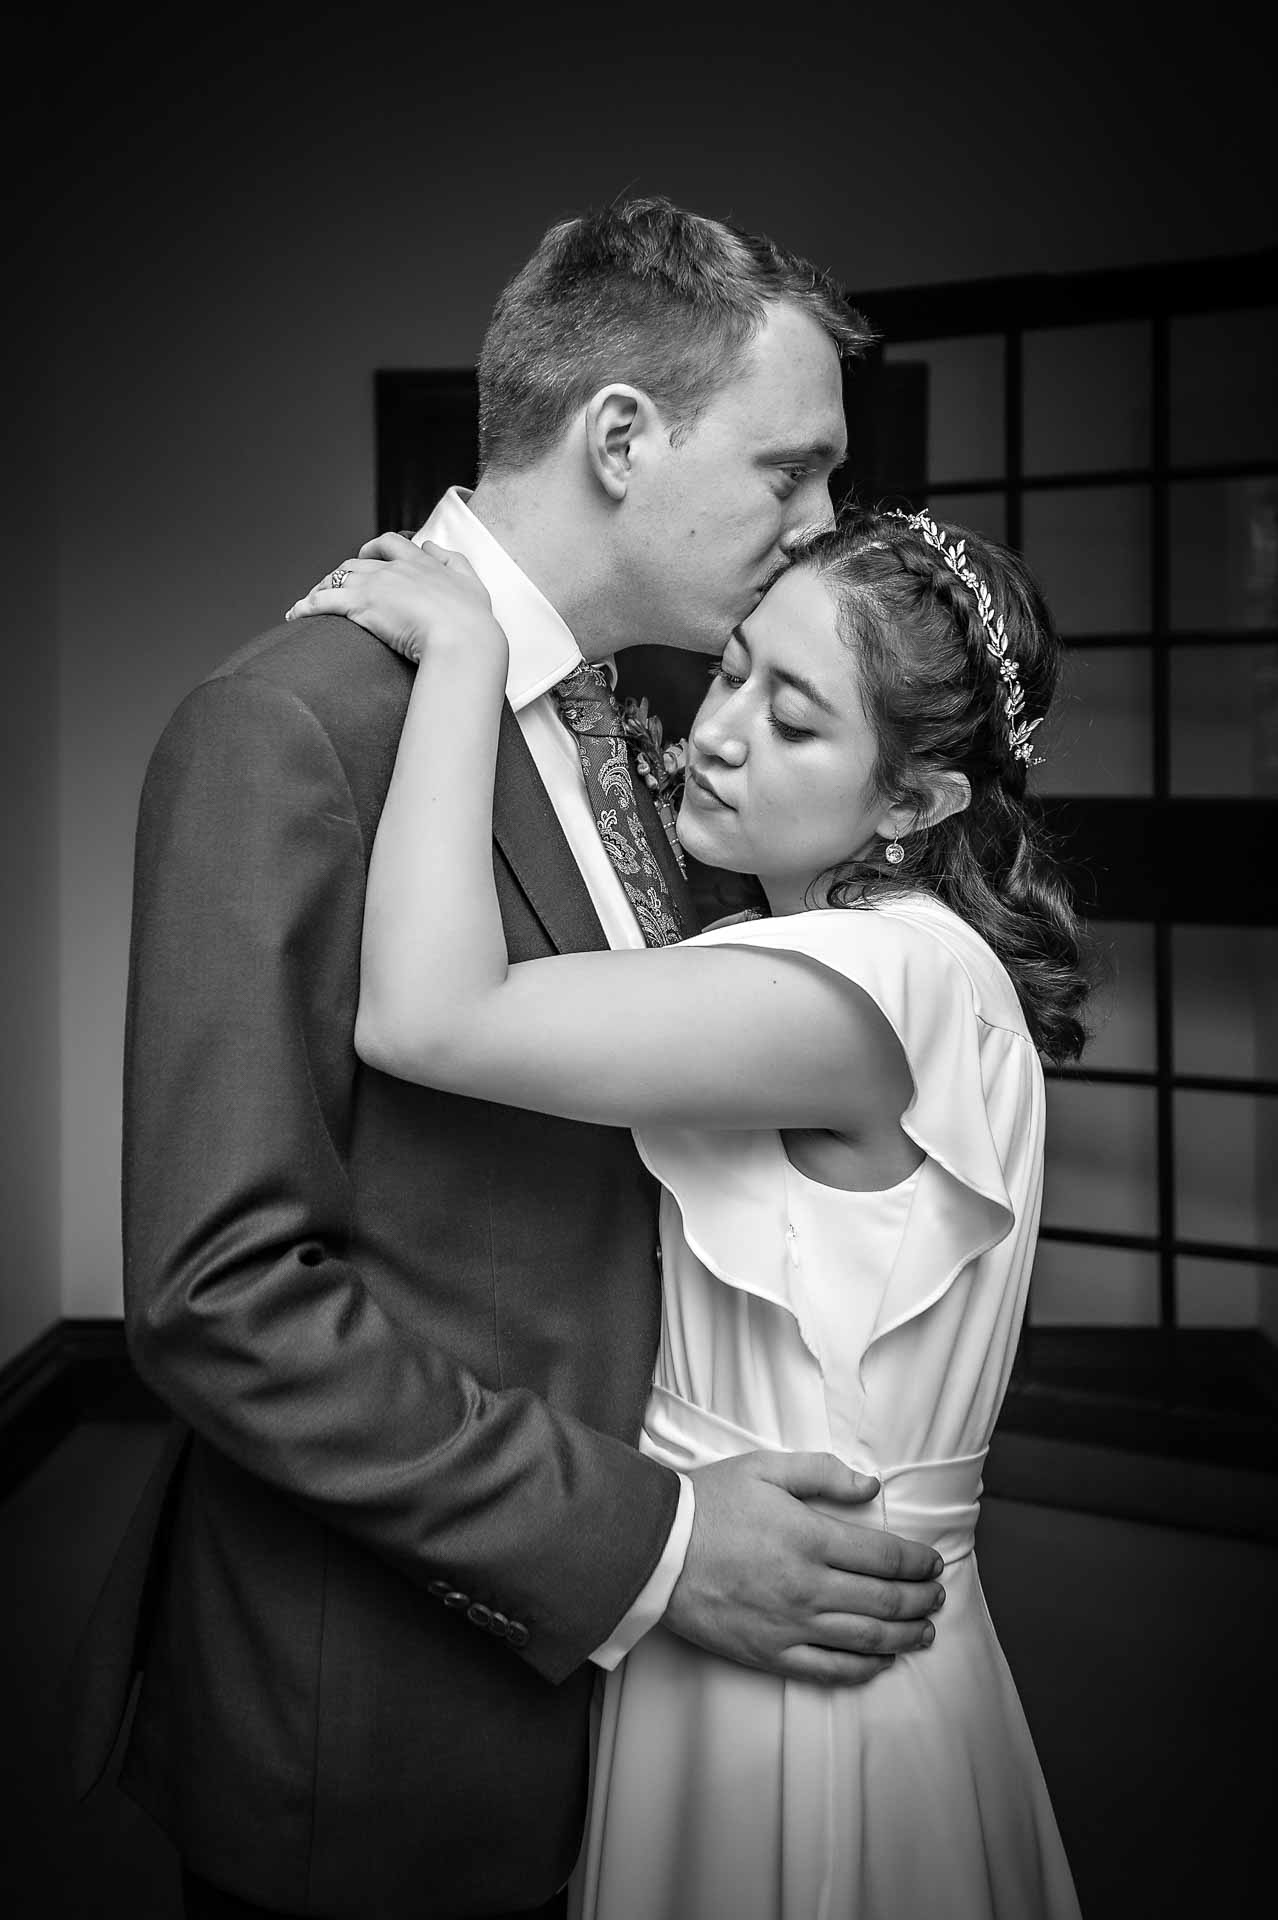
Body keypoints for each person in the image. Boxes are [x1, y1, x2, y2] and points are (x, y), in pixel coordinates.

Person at [65, 198, 949, 1920]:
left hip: (613, 1716)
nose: (823, 522)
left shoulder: (631, 721)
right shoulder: (297, 727)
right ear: (622, 439)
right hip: (381, 1710)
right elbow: (220, 1297)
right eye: (789, 469)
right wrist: (657, 1545)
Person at [283, 501, 1090, 1919]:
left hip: (802, 1663)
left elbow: (426, 1017)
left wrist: (467, 656)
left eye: (795, 721)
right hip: (734, 1603)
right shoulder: (844, 957)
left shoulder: (870, 987)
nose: (719, 733)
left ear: (913, 802)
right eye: (732, 673)